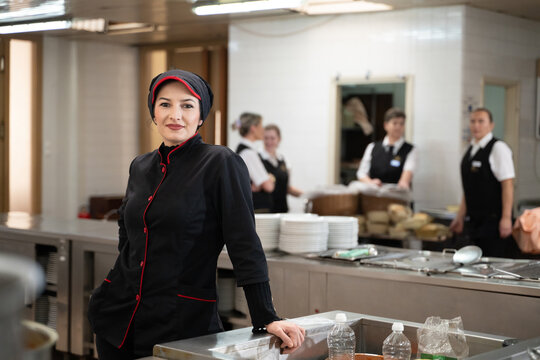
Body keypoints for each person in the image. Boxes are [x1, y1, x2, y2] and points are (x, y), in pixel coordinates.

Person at [87, 69, 305, 359]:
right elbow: (128, 233)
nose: (174, 114)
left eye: (187, 105)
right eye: (164, 104)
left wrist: (266, 315)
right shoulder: (140, 166)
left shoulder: (220, 163)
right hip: (117, 321)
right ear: (153, 112)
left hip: (180, 324)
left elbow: (244, 244)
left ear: (201, 116)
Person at [450, 107, 516, 257]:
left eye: (481, 121)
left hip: (493, 222)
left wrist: (506, 218)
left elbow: (508, 185)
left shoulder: (498, 148)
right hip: (473, 221)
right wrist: (460, 216)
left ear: (491, 125)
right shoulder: (471, 149)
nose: (476, 125)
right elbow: (469, 188)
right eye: (473, 121)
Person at [356, 107, 417, 189]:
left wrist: (403, 183)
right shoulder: (372, 147)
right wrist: (370, 182)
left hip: (398, 196)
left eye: (401, 124)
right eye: (395, 123)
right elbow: (361, 173)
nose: (398, 127)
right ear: (386, 125)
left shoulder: (410, 149)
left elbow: (408, 172)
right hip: (373, 195)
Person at [233, 112, 276, 213]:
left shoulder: (245, 150)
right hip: (257, 209)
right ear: (253, 128)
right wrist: (270, 178)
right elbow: (269, 187)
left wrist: (259, 184)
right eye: (261, 126)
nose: (263, 130)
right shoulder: (249, 153)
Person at [260, 124, 303, 213]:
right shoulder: (257, 159)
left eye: (272, 138)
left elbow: (288, 188)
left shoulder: (284, 160)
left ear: (279, 139)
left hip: (282, 210)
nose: (269, 141)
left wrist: (307, 195)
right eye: (266, 138)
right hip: (265, 211)